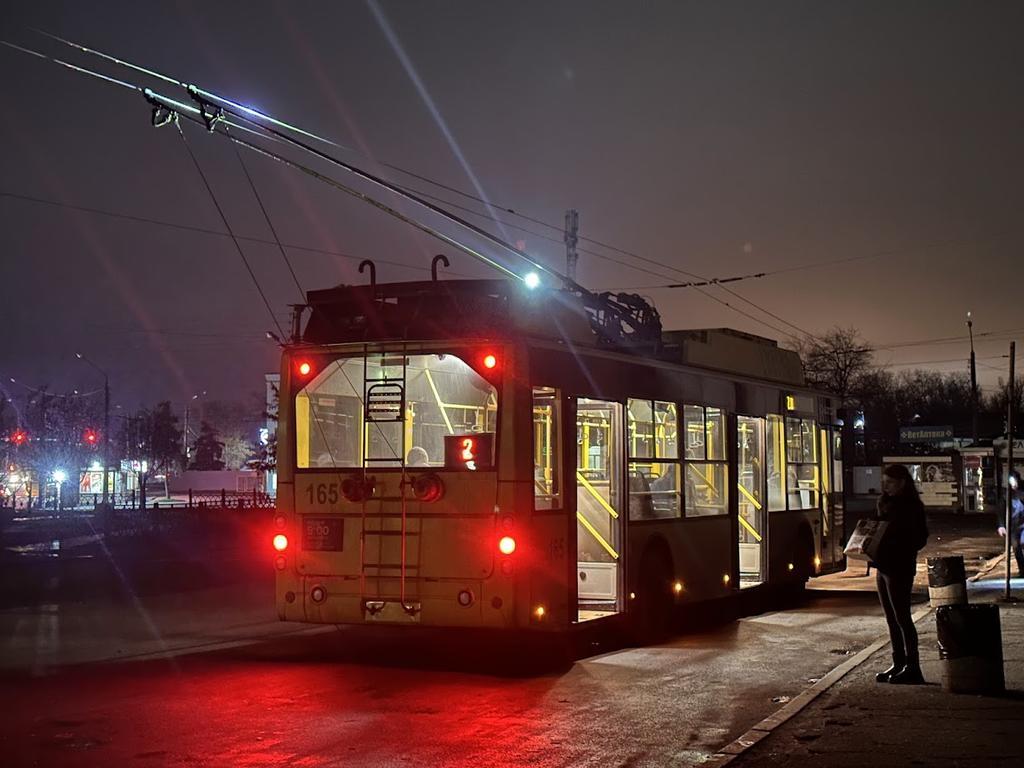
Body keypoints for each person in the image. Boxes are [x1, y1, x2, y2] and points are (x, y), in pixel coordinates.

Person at [874, 464, 929, 685]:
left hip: (900, 567)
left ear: (902, 483)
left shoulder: (912, 507)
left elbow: (920, 538)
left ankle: (913, 666)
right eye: (884, 483)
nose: (885, 487)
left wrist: (898, 544)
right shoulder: (884, 503)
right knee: (891, 618)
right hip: (882, 566)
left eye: (890, 483)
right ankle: (898, 663)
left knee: (902, 617)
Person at [997, 471, 1024, 578]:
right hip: (1012, 527)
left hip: (1023, 524)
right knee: (1016, 547)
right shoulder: (1006, 495)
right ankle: (1022, 570)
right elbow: (1000, 511)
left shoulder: (1022, 492)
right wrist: (1001, 525)